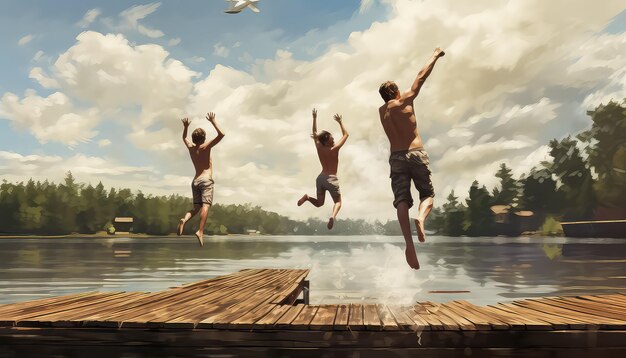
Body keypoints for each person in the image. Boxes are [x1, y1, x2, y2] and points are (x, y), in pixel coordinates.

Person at [378, 47, 445, 269]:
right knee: (427, 194)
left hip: (396, 157)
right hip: (415, 152)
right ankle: (421, 218)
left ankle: (409, 244)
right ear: (396, 91)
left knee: (402, 200)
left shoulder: (381, 112)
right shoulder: (405, 99)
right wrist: (434, 55)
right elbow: (420, 76)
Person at [177, 112, 225, 246]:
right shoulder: (206, 147)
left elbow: (184, 138)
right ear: (204, 139)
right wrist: (213, 121)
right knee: (206, 205)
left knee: (196, 208)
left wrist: (185, 126)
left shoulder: (191, 148)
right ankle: (200, 231)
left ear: (194, 139)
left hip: (195, 181)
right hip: (205, 180)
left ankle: (184, 220)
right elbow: (222, 135)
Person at [297, 108, 349, 230]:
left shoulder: (319, 147)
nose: (334, 139)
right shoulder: (334, 149)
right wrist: (340, 122)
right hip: (331, 179)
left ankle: (307, 198)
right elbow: (346, 135)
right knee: (338, 202)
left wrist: (314, 118)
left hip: (320, 179)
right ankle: (332, 216)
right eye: (332, 138)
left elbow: (314, 131)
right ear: (327, 141)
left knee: (320, 204)